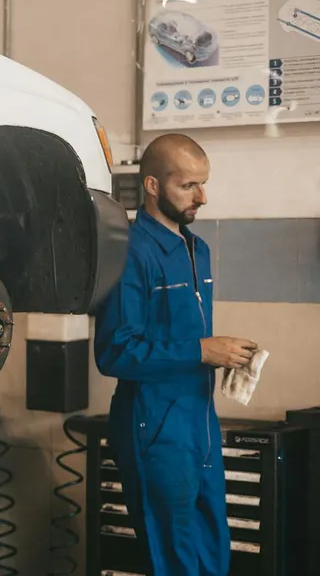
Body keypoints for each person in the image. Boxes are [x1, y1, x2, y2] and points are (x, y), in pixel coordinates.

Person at [93, 133, 258, 576]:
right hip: (155, 425)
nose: (202, 197)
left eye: (203, 184)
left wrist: (225, 357)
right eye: (188, 185)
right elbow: (115, 352)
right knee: (175, 556)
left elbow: (186, 341)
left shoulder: (196, 249)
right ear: (151, 186)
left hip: (200, 422)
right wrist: (202, 351)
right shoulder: (129, 253)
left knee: (213, 551)